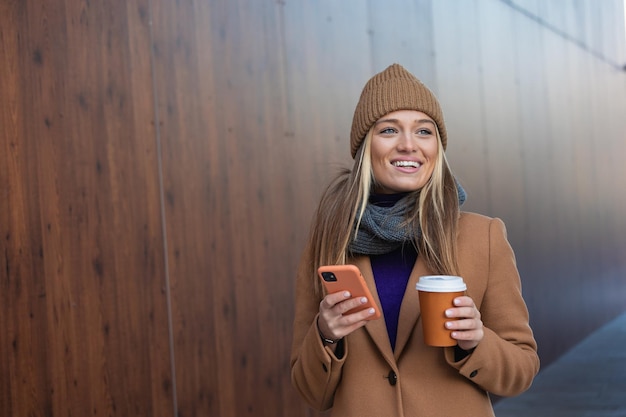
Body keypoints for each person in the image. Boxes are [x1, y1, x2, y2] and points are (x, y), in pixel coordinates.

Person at [290, 63, 539, 417]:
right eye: (389, 130)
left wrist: (476, 342)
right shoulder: (330, 239)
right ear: (364, 147)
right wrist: (326, 334)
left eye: (424, 131)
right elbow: (311, 393)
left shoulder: (482, 236)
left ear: (437, 148)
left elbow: (522, 371)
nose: (409, 145)